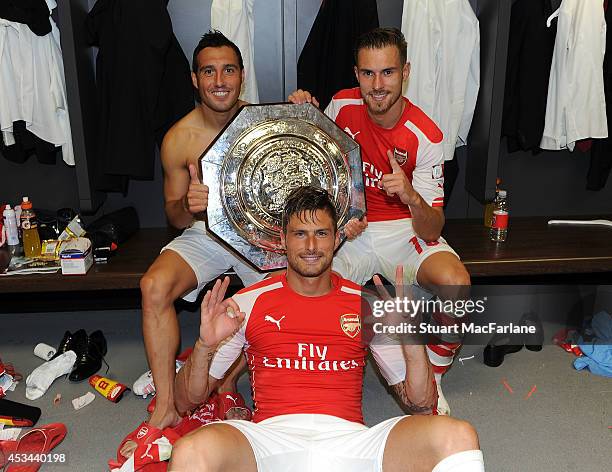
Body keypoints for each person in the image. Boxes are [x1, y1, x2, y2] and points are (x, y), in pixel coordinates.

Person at [169, 186, 484, 472]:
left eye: (321, 233)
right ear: (282, 239)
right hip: (268, 440)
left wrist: (411, 342)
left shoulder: (368, 304)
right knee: (189, 452)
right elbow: (186, 402)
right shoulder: (248, 302)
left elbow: (421, 403)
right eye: (299, 234)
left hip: (349, 442)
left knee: (458, 435)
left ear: (336, 239)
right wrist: (204, 346)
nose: (310, 245)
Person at [288, 27, 471, 415]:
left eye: (387, 72)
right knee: (304, 279)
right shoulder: (340, 106)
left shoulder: (427, 134)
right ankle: (312, 380)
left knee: (456, 283)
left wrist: (409, 195)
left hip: (405, 230)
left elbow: (433, 228)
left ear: (405, 72)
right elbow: (307, 160)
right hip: (353, 228)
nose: (377, 84)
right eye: (368, 74)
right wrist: (301, 109)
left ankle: (433, 370)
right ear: (356, 74)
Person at [117, 31, 266, 461]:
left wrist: (304, 107)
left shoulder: (264, 123)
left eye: (229, 69)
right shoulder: (179, 138)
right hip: (205, 232)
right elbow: (173, 215)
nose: (219, 79)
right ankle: (165, 406)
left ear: (241, 75)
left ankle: (229, 382)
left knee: (276, 298)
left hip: (259, 237)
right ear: (194, 78)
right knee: (154, 287)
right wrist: (189, 204)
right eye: (209, 71)